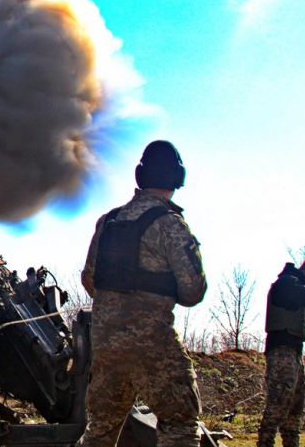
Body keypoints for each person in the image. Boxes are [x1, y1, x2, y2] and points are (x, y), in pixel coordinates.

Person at [78, 141, 207, 447]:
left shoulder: (108, 222)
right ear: (178, 177)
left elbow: (89, 280)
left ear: (139, 175)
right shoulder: (171, 224)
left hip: (107, 346)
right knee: (180, 425)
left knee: (100, 431)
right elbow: (192, 291)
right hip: (152, 345)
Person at [257, 255, 305, 447]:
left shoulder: (300, 286)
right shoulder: (287, 282)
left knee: (295, 406)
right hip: (281, 351)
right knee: (278, 403)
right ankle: (265, 443)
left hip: (294, 352)